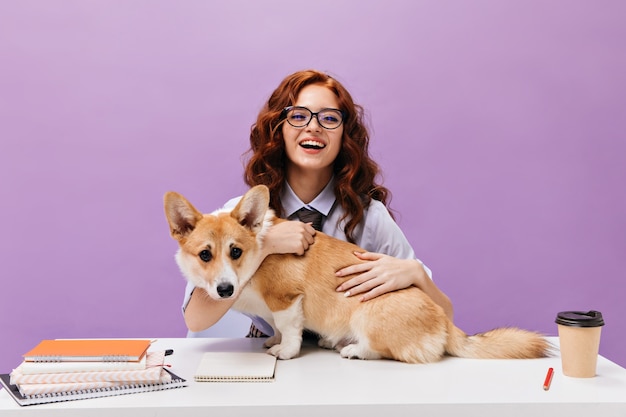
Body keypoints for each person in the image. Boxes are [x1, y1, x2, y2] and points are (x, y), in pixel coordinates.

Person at [182, 69, 453, 338]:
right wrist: (266, 245)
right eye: (298, 116)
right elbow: (195, 321)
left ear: (344, 136)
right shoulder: (238, 217)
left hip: (351, 350)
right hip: (269, 348)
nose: (314, 126)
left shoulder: (369, 217)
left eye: (329, 118)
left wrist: (415, 273)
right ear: (279, 130)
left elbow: (444, 319)